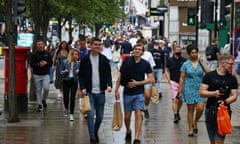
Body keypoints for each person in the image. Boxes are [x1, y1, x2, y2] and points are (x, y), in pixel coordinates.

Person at [115, 43, 154, 144]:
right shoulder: (127, 61)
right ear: (133, 51)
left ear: (142, 52)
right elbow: (120, 75)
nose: (137, 51)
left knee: (138, 113)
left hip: (139, 92)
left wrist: (138, 83)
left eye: (139, 49)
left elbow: (151, 79)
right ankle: (128, 130)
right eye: (135, 49)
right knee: (127, 117)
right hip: (127, 92)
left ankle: (137, 137)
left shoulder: (145, 64)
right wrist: (116, 90)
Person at [79, 38, 112, 144]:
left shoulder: (104, 59)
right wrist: (82, 87)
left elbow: (108, 74)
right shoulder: (85, 59)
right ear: (91, 46)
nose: (98, 46)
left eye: (99, 44)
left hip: (101, 91)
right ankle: (92, 138)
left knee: (100, 116)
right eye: (95, 44)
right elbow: (81, 76)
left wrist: (109, 85)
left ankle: (95, 131)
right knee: (90, 115)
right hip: (89, 92)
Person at [199, 53, 238, 144]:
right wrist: (214, 93)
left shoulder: (232, 79)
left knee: (219, 141)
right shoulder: (209, 76)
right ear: (223, 63)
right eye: (230, 64)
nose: (232, 66)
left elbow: (234, 96)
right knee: (212, 141)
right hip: (210, 110)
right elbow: (201, 92)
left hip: (224, 112)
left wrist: (225, 101)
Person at [178, 44, 210, 137]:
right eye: (192, 53)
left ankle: (195, 122)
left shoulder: (201, 62)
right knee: (190, 110)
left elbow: (209, 72)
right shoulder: (185, 64)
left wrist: (202, 63)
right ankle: (190, 129)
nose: (194, 54)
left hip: (200, 88)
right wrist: (180, 91)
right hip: (188, 88)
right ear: (189, 54)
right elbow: (181, 78)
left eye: (196, 52)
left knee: (200, 108)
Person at [165, 45, 186, 123]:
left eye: (179, 50)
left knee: (180, 100)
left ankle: (177, 111)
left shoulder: (184, 60)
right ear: (174, 51)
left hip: (182, 82)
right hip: (173, 81)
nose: (178, 51)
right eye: (177, 50)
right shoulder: (170, 60)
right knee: (175, 99)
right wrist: (168, 79)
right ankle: (175, 115)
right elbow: (166, 69)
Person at [29, 40, 52, 112]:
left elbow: (51, 63)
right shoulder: (34, 54)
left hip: (45, 74)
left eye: (41, 44)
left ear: (44, 45)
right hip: (37, 74)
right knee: (38, 90)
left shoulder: (47, 53)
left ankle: (43, 99)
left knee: (46, 89)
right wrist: (38, 64)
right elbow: (31, 64)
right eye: (38, 44)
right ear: (36, 46)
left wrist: (46, 63)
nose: (40, 46)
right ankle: (39, 105)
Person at [60, 49, 80, 121]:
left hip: (74, 81)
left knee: (72, 98)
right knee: (66, 97)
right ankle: (66, 108)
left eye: (77, 54)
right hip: (66, 81)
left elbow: (81, 73)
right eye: (75, 54)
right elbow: (60, 72)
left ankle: (71, 114)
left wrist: (79, 72)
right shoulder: (65, 62)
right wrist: (64, 71)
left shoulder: (78, 63)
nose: (77, 56)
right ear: (71, 55)